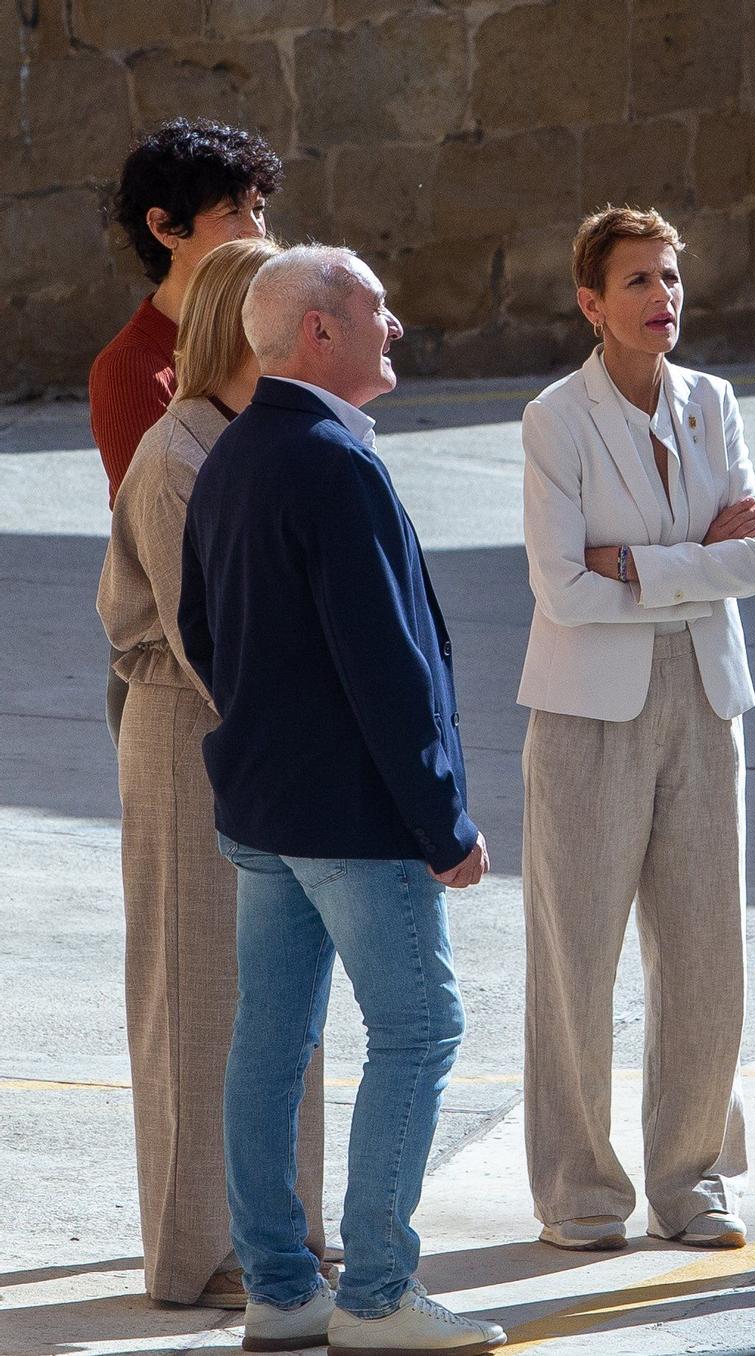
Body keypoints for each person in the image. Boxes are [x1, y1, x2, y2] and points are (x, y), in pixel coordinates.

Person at [180, 245, 503, 1354]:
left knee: (269, 1047)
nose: (396, 324)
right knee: (419, 1031)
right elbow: (388, 665)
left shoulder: (234, 455)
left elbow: (203, 634)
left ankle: (280, 1291)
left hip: (264, 813)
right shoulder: (331, 462)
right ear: (319, 332)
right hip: (351, 821)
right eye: (376, 308)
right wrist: (442, 821)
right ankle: (373, 1298)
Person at [516, 206, 755, 1255]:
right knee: (575, 954)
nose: (661, 299)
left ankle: (693, 1177)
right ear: (591, 302)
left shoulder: (713, 403)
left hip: (707, 702)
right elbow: (563, 588)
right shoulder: (554, 419)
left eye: (669, 278)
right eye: (637, 282)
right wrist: (687, 566)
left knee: (708, 951)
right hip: (586, 711)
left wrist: (637, 562)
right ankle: (579, 1192)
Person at [95, 236, 332, 1310]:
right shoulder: (177, 451)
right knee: (199, 1002)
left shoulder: (260, 436)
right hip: (194, 737)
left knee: (287, 1001)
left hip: (271, 734)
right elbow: (213, 641)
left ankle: (284, 1227)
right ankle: (205, 1250)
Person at [91, 117, 280, 743]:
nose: (256, 232)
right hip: (184, 671)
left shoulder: (270, 341)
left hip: (263, 640)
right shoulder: (133, 368)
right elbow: (172, 534)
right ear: (164, 227)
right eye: (231, 213)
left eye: (258, 208)